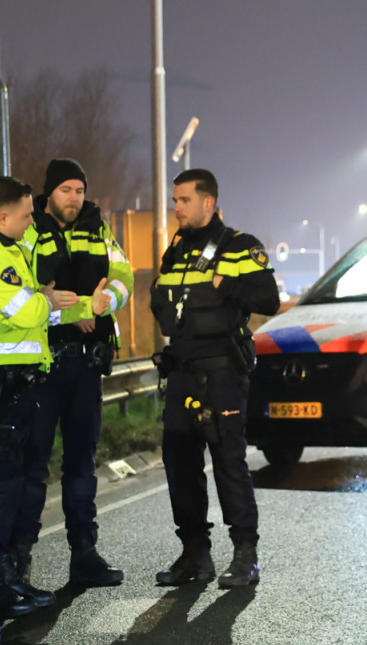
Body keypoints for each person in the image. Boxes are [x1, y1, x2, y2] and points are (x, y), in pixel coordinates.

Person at [0, 175, 82, 618]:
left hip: (12, 382)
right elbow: (26, 309)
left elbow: (28, 306)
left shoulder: (8, 247)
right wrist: (46, 301)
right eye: (27, 215)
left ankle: (6, 576)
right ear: (3, 215)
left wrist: (41, 299)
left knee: (12, 483)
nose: (32, 223)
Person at [149, 168, 279, 588]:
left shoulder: (239, 246)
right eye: (175, 200)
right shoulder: (176, 249)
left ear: (208, 202)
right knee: (180, 465)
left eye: (183, 200)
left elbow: (269, 300)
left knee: (228, 462)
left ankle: (245, 554)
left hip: (222, 371)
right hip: (182, 372)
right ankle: (194, 555)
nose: (176, 207)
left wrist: (229, 286)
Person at [20, 158, 134, 591]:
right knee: (33, 465)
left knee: (82, 464)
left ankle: (84, 555)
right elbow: (25, 294)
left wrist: (106, 303)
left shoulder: (98, 230)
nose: (74, 198)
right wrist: (74, 311)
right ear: (49, 193)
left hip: (86, 365)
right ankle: (19, 562)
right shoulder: (29, 231)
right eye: (66, 190)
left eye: (80, 190)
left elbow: (122, 275)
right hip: (44, 365)